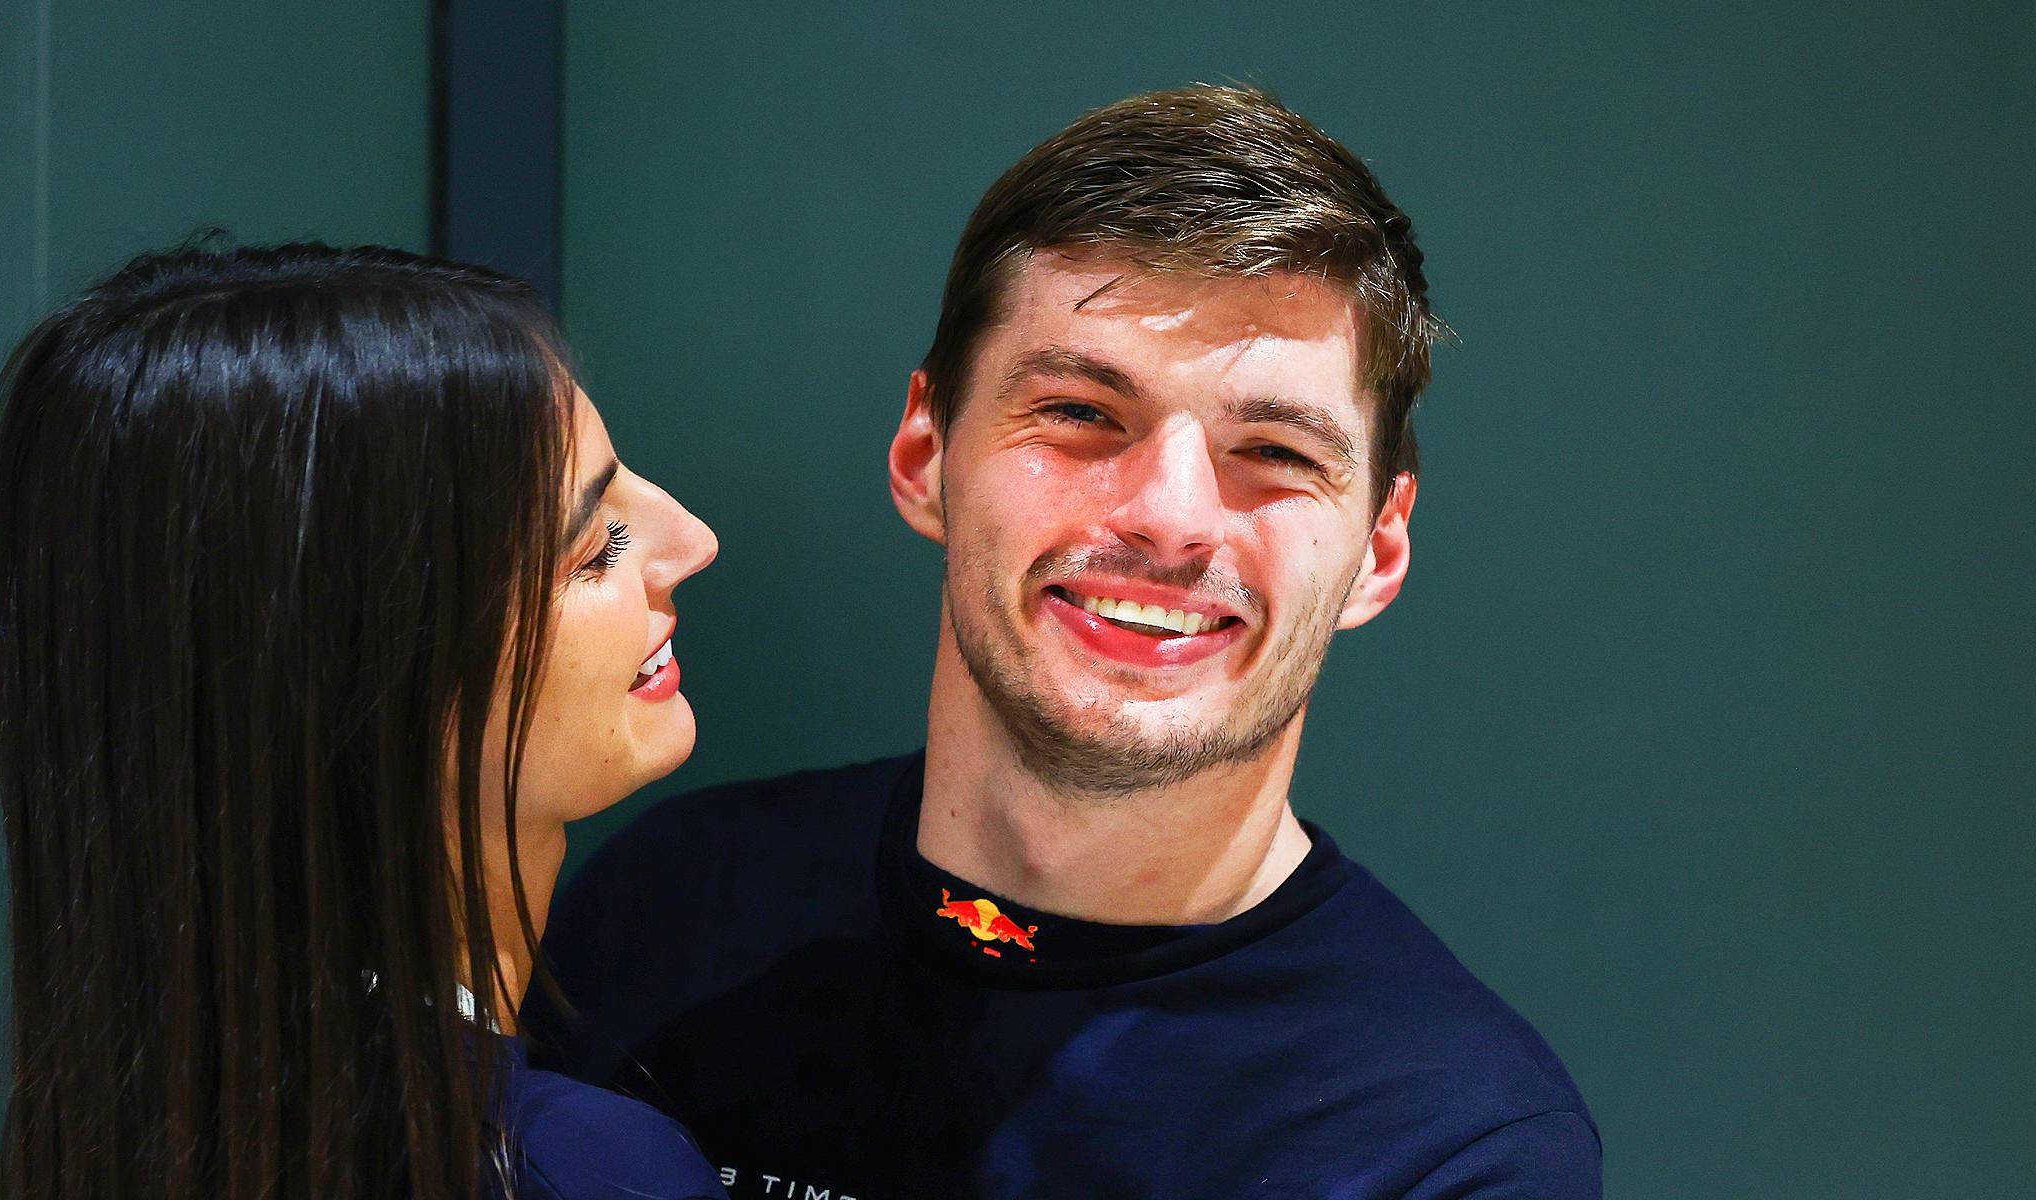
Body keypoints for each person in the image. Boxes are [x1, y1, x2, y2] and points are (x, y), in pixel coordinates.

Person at [530, 86, 1601, 1198]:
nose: (1171, 517)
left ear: (1378, 549)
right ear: (926, 450)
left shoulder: (1451, 1144)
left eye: (1277, 450)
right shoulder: (670, 902)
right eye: (1084, 414)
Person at [0, 243, 727, 1200]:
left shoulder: (114, 1132)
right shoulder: (570, 1169)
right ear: (376, 677)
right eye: (593, 547)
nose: (691, 543)